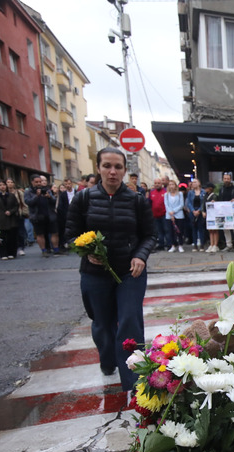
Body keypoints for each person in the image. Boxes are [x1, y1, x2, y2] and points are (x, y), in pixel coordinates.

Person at [66, 146, 156, 398]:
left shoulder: (137, 201)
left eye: (118, 167)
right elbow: (70, 235)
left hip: (130, 272)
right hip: (95, 274)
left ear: (125, 171)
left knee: (129, 321)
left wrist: (140, 255)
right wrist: (85, 251)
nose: (112, 171)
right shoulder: (83, 199)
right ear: (98, 168)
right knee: (103, 325)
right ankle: (107, 360)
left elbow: (150, 235)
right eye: (107, 166)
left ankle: (135, 384)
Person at [24, 174, 61, 257]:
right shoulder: (28, 192)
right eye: (36, 182)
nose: (39, 183)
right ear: (32, 182)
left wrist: (49, 197)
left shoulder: (47, 190)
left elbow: (54, 201)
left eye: (40, 182)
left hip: (50, 215)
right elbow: (29, 202)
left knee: (54, 233)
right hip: (37, 217)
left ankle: (56, 249)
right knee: (40, 234)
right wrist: (37, 196)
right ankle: (44, 251)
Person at [0, 179, 20, 260]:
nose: (2, 186)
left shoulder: (11, 195)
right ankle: (3, 254)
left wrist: (11, 211)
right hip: (0, 219)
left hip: (11, 219)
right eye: (0, 185)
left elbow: (16, 206)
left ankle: (12, 253)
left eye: (3, 184)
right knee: (1, 237)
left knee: (11, 237)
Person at [218, 172, 234, 252]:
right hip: (224, 212)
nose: (226, 180)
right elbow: (219, 200)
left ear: (230, 179)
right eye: (225, 179)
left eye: (228, 179)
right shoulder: (221, 189)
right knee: (226, 229)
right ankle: (229, 245)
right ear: (223, 179)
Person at [184, 179, 207, 251]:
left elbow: (204, 202)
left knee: (201, 228)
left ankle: (202, 245)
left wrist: (199, 210)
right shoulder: (190, 192)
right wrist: (193, 210)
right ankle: (195, 245)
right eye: (193, 182)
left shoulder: (203, 191)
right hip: (192, 211)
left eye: (195, 182)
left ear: (199, 183)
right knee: (194, 228)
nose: (193, 184)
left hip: (200, 211)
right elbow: (189, 203)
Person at [164, 180, 185, 252]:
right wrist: (170, 212)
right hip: (169, 215)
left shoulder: (180, 194)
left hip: (178, 214)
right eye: (170, 184)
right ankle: (173, 245)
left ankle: (180, 245)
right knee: (170, 231)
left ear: (175, 186)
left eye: (173, 184)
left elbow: (181, 204)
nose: (171, 186)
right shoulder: (166, 195)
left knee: (179, 231)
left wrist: (174, 211)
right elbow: (166, 205)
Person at [148, 177, 169, 251]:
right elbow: (149, 203)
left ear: (161, 184)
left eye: (158, 183)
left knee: (166, 230)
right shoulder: (152, 192)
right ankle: (161, 244)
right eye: (156, 183)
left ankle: (168, 244)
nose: (157, 184)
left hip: (164, 214)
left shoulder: (166, 191)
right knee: (158, 231)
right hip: (155, 215)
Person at [204, 182, 221, 253]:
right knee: (210, 230)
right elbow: (203, 204)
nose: (205, 189)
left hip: (214, 214)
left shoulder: (214, 196)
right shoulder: (205, 196)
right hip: (208, 214)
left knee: (215, 230)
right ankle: (211, 244)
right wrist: (203, 211)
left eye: (206, 188)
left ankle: (215, 245)